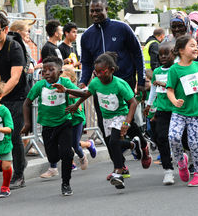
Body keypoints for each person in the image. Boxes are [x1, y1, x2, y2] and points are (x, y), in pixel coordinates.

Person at [79, 0, 151, 173]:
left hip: (124, 82)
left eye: (98, 10)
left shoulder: (122, 28)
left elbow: (137, 53)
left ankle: (142, 144)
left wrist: (140, 82)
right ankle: (119, 166)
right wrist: (83, 82)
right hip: (101, 87)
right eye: (92, 10)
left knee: (129, 122)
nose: (95, 13)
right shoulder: (87, 35)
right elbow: (87, 63)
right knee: (106, 126)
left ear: (106, 10)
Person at [53, 52, 144, 190]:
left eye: (103, 72)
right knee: (114, 145)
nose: (99, 75)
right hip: (107, 117)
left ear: (111, 70)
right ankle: (132, 145)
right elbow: (86, 94)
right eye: (97, 72)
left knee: (113, 142)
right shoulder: (96, 82)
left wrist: (127, 122)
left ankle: (118, 172)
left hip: (120, 115)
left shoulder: (119, 84)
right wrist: (69, 94)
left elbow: (133, 103)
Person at [22, 56, 78, 196]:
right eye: (43, 70)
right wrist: (28, 123)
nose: (46, 73)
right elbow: (26, 103)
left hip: (64, 123)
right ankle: (65, 154)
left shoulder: (65, 82)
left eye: (50, 70)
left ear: (60, 72)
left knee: (66, 154)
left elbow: (82, 93)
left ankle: (66, 183)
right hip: (47, 126)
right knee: (52, 158)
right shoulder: (39, 86)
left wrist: (66, 91)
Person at [0, 13, 27, 189]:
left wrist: (0, 95)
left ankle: (19, 174)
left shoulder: (14, 47)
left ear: (6, 29)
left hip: (17, 96)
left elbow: (15, 77)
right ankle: (6, 163)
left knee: (13, 134)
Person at [40, 65, 96, 178]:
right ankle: (55, 167)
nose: (62, 81)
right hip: (64, 121)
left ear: (71, 80)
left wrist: (76, 104)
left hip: (76, 120)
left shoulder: (71, 90)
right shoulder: (56, 89)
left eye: (65, 78)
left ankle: (86, 149)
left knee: (74, 144)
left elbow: (78, 97)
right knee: (60, 142)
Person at [167, 35, 198, 187]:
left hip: (197, 112)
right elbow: (169, 91)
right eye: (192, 45)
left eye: (196, 45)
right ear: (181, 51)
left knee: (194, 142)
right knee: (173, 137)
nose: (196, 48)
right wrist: (174, 101)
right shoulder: (174, 69)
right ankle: (181, 162)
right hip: (179, 112)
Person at [144, 42, 175, 185]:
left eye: (166, 53)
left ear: (174, 54)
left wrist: (165, 84)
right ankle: (168, 170)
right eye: (160, 54)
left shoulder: (177, 69)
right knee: (161, 137)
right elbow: (153, 91)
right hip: (162, 109)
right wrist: (149, 105)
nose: (163, 56)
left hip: (177, 109)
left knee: (178, 138)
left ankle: (181, 158)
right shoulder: (157, 72)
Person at [9, 20, 41, 156]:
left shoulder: (24, 46)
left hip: (26, 84)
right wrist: (32, 67)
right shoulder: (15, 45)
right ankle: (19, 147)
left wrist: (34, 65)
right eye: (27, 31)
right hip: (20, 86)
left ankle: (25, 145)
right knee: (21, 117)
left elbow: (30, 61)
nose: (29, 33)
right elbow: (24, 65)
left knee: (27, 115)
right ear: (17, 31)